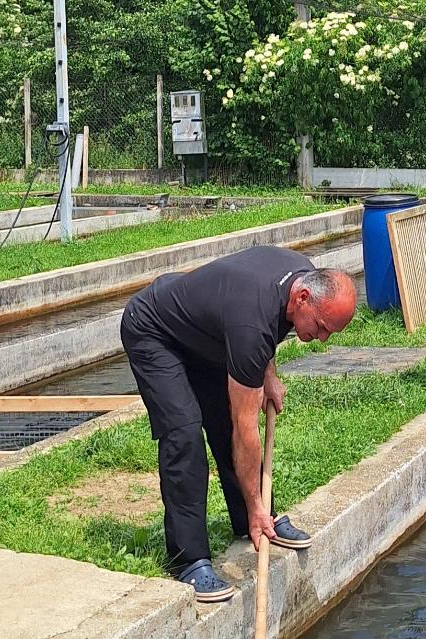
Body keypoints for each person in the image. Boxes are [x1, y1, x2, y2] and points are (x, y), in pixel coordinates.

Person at [119, 246, 358, 603]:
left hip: (208, 336)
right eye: (321, 327)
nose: (322, 339)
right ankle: (189, 560)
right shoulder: (252, 322)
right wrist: (257, 504)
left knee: (222, 426)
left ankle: (254, 519)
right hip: (156, 331)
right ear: (304, 297)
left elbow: (270, 329)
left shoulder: (301, 275)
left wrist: (269, 374)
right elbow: (245, 430)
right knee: (184, 434)